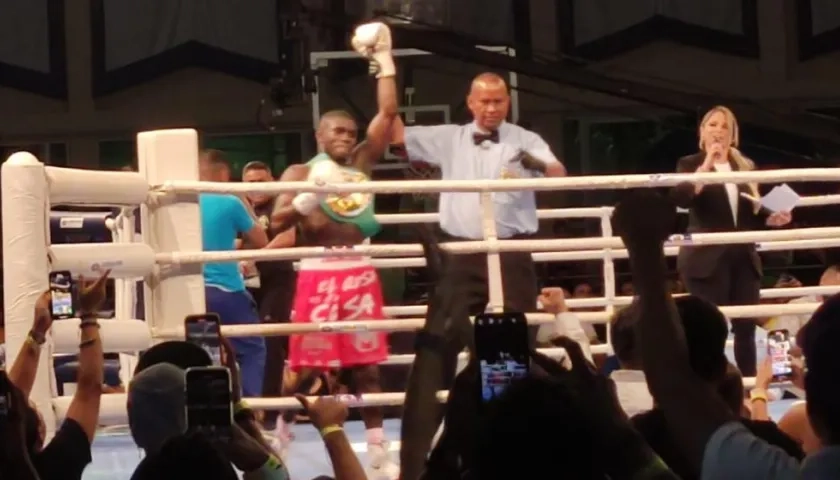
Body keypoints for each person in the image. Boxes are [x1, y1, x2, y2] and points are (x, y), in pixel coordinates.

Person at [611, 190, 840, 478]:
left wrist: (643, 246)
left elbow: (676, 386)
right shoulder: (778, 449)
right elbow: (677, 386)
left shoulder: (776, 467)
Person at [268, 22, 400, 478]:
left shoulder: (363, 162)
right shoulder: (301, 170)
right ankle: (281, 430)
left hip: (359, 268)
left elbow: (387, 116)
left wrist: (384, 60)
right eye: (337, 132)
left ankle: (379, 447)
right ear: (321, 136)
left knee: (366, 366)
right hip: (318, 272)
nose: (346, 136)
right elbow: (276, 221)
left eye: (350, 130)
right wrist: (306, 199)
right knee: (308, 363)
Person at [390, 72, 566, 324]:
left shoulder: (527, 140)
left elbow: (558, 177)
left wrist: (538, 164)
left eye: (498, 101)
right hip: (462, 251)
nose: (492, 108)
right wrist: (386, 72)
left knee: (515, 331)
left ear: (508, 102)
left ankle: (502, 364)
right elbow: (396, 134)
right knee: (445, 329)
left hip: (512, 251)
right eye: (485, 101)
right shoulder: (449, 138)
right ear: (470, 102)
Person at [671, 105, 791, 376]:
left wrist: (774, 217)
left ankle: (748, 390)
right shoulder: (689, 164)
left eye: (725, 126)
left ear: (732, 134)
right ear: (702, 131)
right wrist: (707, 165)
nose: (718, 131)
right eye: (712, 125)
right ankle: (706, 387)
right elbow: (682, 198)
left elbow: (752, 214)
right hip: (705, 259)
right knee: (707, 328)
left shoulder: (744, 165)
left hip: (743, 257)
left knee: (745, 328)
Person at [6, 271, 110, 480]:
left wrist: (37, 333)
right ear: (40, 433)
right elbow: (89, 391)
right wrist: (89, 313)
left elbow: (11, 401)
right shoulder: (57, 467)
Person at [199, 149, 269, 397]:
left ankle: (209, 420)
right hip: (226, 290)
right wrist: (244, 202)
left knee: (206, 356)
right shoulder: (229, 200)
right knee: (252, 349)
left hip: (192, 291)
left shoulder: (184, 201)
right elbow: (261, 240)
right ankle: (251, 417)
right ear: (224, 173)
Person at [241, 160, 298, 427]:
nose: (257, 187)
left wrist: (255, 256)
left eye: (262, 180)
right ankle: (250, 407)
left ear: (272, 181)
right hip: (247, 282)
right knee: (245, 342)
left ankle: (271, 414)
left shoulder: (281, 203)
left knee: (271, 342)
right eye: (251, 182)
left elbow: (289, 236)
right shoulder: (240, 206)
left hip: (277, 278)